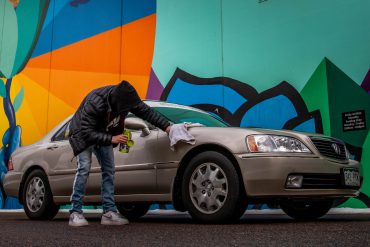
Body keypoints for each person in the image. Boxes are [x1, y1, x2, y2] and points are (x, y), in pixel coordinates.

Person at [68, 80, 171, 227]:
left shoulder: (126, 98)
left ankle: (109, 213)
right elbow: (86, 132)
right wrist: (112, 138)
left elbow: (147, 112)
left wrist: (167, 127)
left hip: (103, 131)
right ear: (117, 103)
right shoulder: (95, 102)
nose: (127, 110)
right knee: (84, 168)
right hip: (82, 133)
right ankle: (75, 212)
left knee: (109, 170)